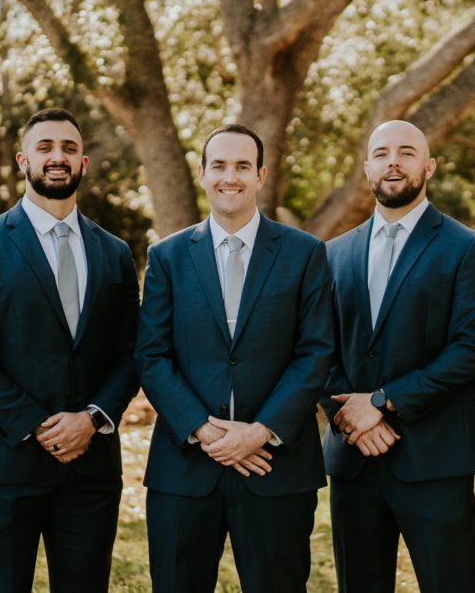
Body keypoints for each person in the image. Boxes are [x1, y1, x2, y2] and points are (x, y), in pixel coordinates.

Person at [0, 108, 140, 593]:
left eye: (69, 148)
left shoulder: (114, 251)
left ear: (84, 163)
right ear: (22, 159)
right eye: (45, 147)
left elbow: (132, 352)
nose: (57, 157)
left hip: (91, 465)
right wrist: (40, 425)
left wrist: (90, 419)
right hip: (7, 462)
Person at [136, 124, 333, 592]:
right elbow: (151, 355)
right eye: (220, 165)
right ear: (202, 174)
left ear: (261, 175)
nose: (231, 176)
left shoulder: (305, 254)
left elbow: (315, 352)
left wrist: (260, 431)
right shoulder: (166, 257)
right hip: (184, 467)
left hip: (275, 466)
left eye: (243, 166)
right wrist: (204, 430)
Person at [321, 120, 475, 592]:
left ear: (429, 166)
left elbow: (473, 349)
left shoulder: (466, 248)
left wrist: (382, 401)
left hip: (435, 457)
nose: (392, 161)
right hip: (355, 458)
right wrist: (348, 417)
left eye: (406, 152)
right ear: (367, 168)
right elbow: (318, 349)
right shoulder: (333, 254)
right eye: (381, 153)